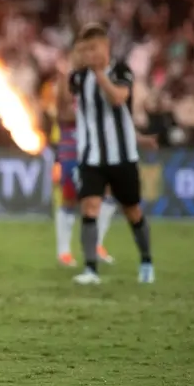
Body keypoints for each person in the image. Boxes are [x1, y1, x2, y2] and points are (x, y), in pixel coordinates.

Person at [68, 23, 154, 285]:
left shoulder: (121, 70)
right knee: (89, 207)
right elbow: (68, 94)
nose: (89, 54)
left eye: (93, 48)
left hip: (122, 156)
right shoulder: (78, 77)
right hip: (91, 155)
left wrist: (100, 74)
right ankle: (91, 269)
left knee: (132, 210)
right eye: (86, 49)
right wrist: (76, 63)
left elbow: (118, 98)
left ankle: (147, 261)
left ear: (105, 47)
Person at [54, 52, 114, 267]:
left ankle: (96, 244)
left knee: (106, 196)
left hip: (93, 156)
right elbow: (63, 112)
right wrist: (63, 75)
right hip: (72, 157)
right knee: (70, 201)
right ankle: (64, 252)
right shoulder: (67, 100)